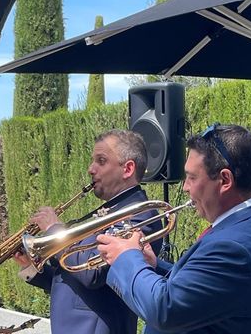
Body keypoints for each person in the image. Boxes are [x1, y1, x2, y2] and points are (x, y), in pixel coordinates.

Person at [97, 123, 251, 334]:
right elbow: (208, 289)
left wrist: (126, 257)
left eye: (192, 177)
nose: (185, 187)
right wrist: (153, 266)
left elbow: (164, 310)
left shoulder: (235, 247)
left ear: (225, 180)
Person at [13, 129, 163, 334]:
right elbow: (75, 281)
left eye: (101, 161)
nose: (91, 169)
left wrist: (54, 230)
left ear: (127, 169)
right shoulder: (110, 211)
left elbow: (91, 274)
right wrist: (32, 268)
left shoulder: (140, 215)